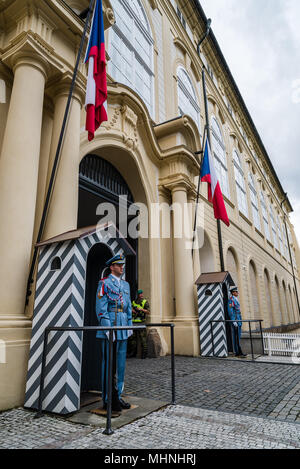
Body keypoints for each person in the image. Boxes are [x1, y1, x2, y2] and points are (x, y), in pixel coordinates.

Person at [95, 254, 133, 412]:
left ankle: (118, 395)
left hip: (123, 325)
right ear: (112, 267)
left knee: (121, 365)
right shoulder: (104, 283)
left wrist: (130, 324)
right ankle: (107, 398)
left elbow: (128, 306)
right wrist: (108, 329)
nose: (121, 267)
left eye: (122, 265)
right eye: (118, 265)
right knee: (109, 364)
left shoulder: (126, 285)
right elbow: (101, 309)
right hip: (110, 325)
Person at [130, 290, 150, 359]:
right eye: (140, 294)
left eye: (141, 293)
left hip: (141, 322)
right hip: (133, 322)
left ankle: (145, 354)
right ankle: (133, 353)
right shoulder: (133, 302)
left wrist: (141, 309)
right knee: (132, 339)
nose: (141, 295)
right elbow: (129, 308)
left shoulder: (145, 302)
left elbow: (148, 312)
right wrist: (132, 310)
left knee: (143, 339)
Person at [228, 286, 247, 358]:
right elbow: (231, 311)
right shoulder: (231, 300)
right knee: (236, 336)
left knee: (238, 336)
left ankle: (239, 351)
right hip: (235, 319)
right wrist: (233, 321)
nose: (237, 293)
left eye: (237, 291)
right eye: (236, 292)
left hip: (238, 319)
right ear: (233, 293)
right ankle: (238, 351)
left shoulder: (235, 299)